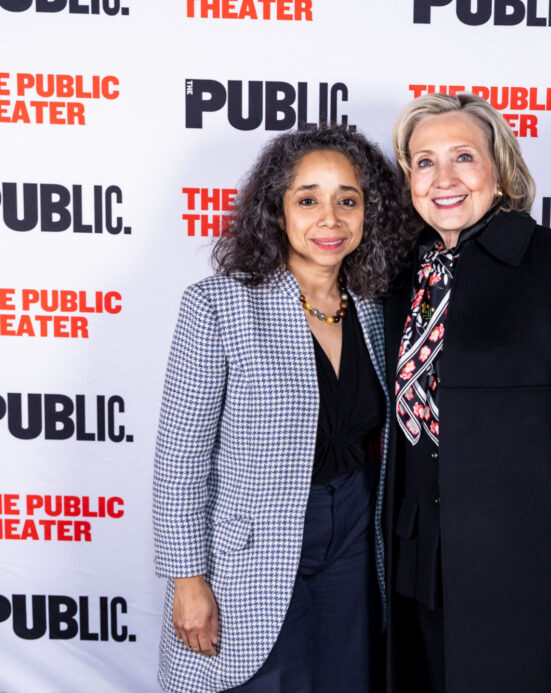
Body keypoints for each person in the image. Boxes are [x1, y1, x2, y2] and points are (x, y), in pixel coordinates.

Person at [383, 93, 551, 693]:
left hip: (531, 563)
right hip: (419, 564)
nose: (443, 179)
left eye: (463, 157)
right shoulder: (400, 277)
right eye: (424, 162)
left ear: (499, 171)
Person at [152, 125, 408, 693]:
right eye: (308, 200)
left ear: (369, 212)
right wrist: (187, 580)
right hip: (255, 548)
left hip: (355, 537)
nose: (330, 219)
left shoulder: (374, 307)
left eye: (348, 201)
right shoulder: (219, 305)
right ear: (277, 210)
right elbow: (180, 459)